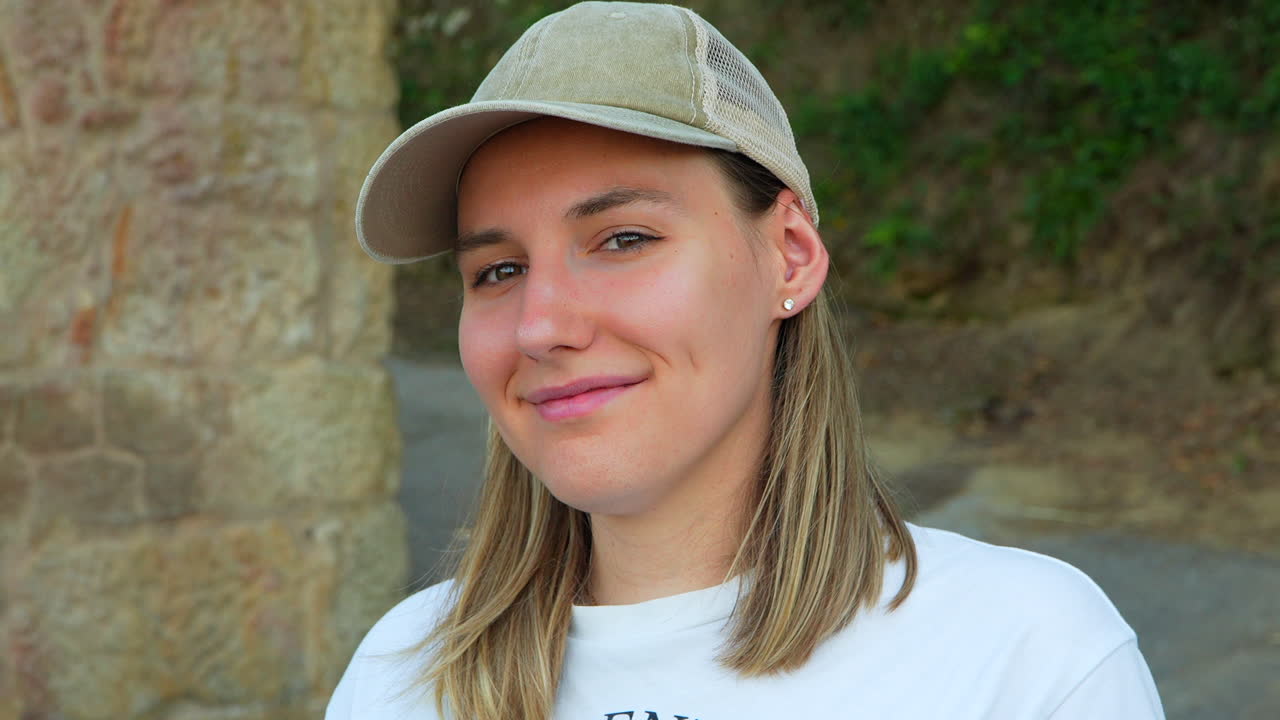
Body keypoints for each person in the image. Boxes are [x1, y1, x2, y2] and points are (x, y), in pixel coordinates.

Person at [327, 2, 1165, 718]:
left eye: (624, 239)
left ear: (791, 257)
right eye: (498, 270)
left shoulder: (1024, 658)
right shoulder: (402, 677)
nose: (540, 326)